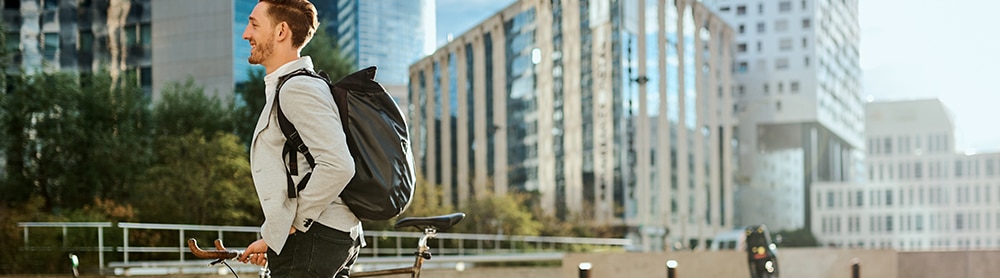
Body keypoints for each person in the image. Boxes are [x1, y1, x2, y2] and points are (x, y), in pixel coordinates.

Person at [236, 0, 361, 277]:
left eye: (254, 24)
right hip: (320, 237)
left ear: (281, 32)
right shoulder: (295, 85)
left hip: (313, 237)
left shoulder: (298, 88)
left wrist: (289, 227)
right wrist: (272, 239)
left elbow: (339, 165)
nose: (246, 34)